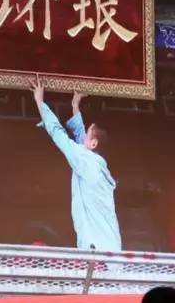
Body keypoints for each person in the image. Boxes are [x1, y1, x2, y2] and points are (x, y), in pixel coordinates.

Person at [29, 75, 121, 252]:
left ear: (94, 143)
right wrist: (74, 106)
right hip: (111, 251)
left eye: (88, 134)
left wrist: (40, 101)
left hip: (97, 253)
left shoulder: (87, 162)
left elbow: (59, 134)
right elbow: (81, 141)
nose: (84, 136)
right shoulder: (95, 164)